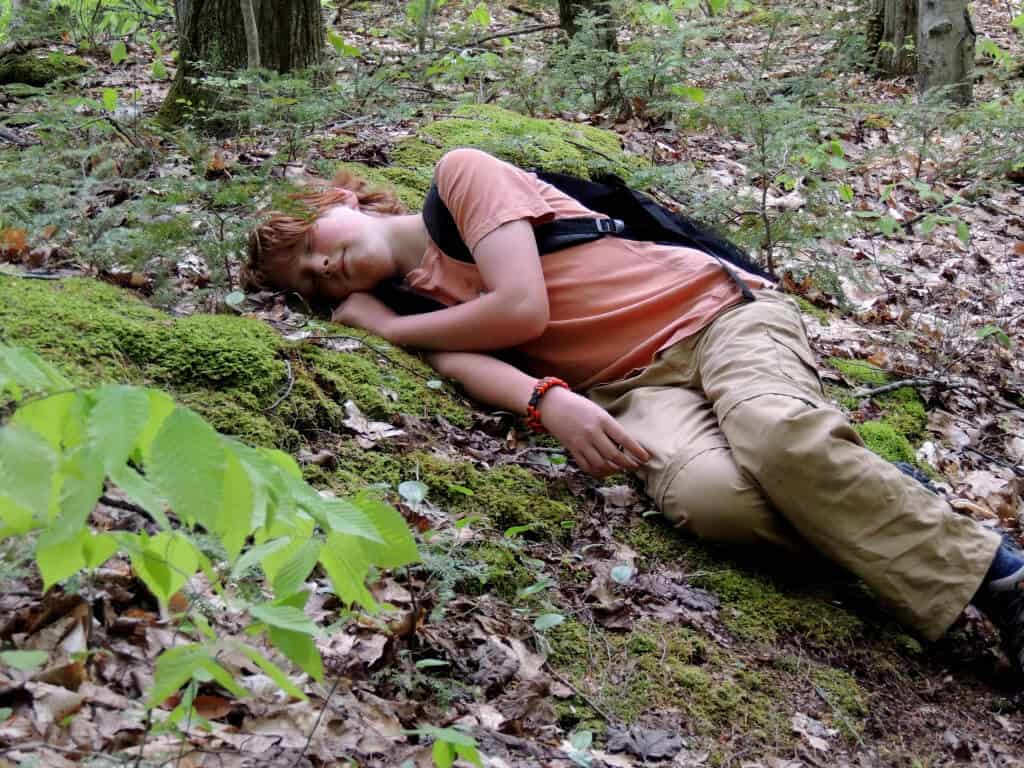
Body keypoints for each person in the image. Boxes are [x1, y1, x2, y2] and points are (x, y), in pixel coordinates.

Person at [245, 147, 1024, 672]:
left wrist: (389, 329)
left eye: (312, 241)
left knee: (776, 434)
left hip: (714, 316)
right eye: (312, 285)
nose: (324, 268)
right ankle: (868, 490)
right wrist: (549, 402)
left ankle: (1003, 582)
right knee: (712, 501)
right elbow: (471, 363)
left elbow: (519, 311)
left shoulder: (461, 178)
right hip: (634, 393)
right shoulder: (416, 310)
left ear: (341, 198)